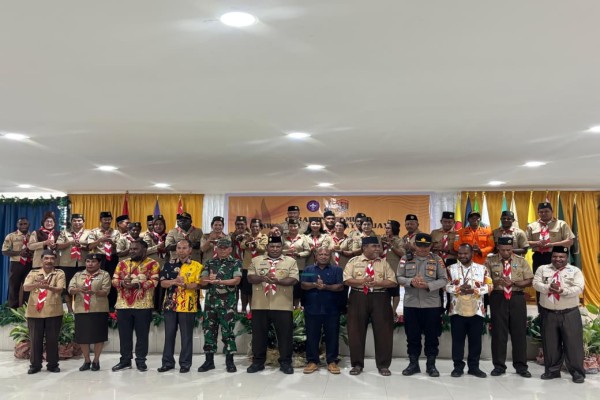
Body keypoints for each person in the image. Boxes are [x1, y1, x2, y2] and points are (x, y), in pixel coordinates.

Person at [344, 236, 397, 376]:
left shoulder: (384, 263)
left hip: (380, 297)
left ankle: (383, 365)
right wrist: (362, 281)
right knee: (355, 331)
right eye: (374, 246)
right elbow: (347, 279)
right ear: (364, 248)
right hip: (358, 297)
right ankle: (357, 364)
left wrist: (378, 283)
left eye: (378, 246)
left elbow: (392, 281)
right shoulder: (353, 261)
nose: (378, 249)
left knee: (384, 332)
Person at [396, 233, 447, 377]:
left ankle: (431, 365)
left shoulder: (437, 259)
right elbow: (399, 277)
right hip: (411, 303)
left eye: (426, 246)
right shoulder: (405, 259)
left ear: (431, 246)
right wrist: (410, 282)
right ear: (414, 245)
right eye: (419, 245)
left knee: (432, 337)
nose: (423, 249)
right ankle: (413, 364)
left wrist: (428, 285)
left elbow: (444, 279)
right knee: (412, 336)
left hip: (431, 305)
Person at [246, 236, 299, 374]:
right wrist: (263, 278)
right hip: (260, 304)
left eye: (277, 246)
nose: (275, 249)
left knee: (285, 336)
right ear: (267, 247)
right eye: (272, 246)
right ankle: (258, 362)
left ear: (282, 247)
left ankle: (286, 363)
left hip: (282, 304)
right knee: (258, 336)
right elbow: (250, 277)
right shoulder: (256, 260)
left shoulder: (291, 261)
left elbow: (293, 280)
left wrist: (277, 281)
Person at [533, 246, 585, 383]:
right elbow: (536, 283)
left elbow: (579, 288)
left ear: (567, 257)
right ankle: (552, 371)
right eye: (555, 256)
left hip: (569, 313)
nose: (558, 259)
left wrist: (562, 291)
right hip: (548, 312)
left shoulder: (575, 271)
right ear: (551, 257)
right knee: (550, 344)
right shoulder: (542, 269)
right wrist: (548, 288)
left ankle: (577, 372)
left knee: (573, 345)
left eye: (561, 257)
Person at [485, 237, 533, 378]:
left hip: (517, 297)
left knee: (519, 333)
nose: (506, 252)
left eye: (509, 250)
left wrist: (514, 283)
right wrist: (496, 282)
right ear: (498, 248)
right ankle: (499, 366)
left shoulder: (521, 261)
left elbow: (529, 280)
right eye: (503, 250)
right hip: (498, 296)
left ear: (512, 248)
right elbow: (484, 280)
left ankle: (521, 366)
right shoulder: (490, 261)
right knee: (499, 333)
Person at [111, 240, 159, 372]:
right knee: (124, 335)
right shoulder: (122, 263)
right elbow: (114, 280)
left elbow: (154, 281)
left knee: (142, 336)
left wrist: (137, 285)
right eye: (131, 249)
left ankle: (141, 361)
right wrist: (122, 283)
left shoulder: (153, 263)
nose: (131, 251)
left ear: (144, 250)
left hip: (143, 305)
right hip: (123, 305)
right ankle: (125, 360)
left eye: (135, 249)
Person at [158, 239, 203, 373]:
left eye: (184, 248)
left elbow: (199, 284)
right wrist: (174, 281)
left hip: (188, 305)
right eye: (179, 248)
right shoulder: (168, 265)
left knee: (186, 336)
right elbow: (162, 283)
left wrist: (186, 285)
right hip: (170, 305)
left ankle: (185, 363)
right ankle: (167, 363)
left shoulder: (197, 266)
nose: (181, 251)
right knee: (169, 335)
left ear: (190, 250)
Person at [446, 244, 491, 378]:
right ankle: (457, 367)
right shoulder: (450, 269)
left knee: (475, 341)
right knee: (457, 341)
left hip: (477, 310)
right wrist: (458, 289)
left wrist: (475, 290)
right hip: (457, 309)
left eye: (465, 253)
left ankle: (474, 367)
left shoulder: (482, 268)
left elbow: (490, 286)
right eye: (460, 253)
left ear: (472, 253)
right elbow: (445, 285)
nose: (462, 256)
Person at [198, 238, 242, 373]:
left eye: (225, 248)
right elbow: (202, 281)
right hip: (211, 303)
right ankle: (209, 361)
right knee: (209, 331)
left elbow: (236, 280)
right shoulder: (209, 262)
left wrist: (219, 281)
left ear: (230, 249)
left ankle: (230, 361)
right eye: (220, 247)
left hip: (228, 303)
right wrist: (208, 279)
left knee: (227, 331)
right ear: (216, 249)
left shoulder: (235, 262)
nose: (222, 250)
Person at [301, 247, 344, 374]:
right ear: (316, 255)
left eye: (326, 254)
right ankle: (312, 361)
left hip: (332, 309)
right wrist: (315, 285)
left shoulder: (337, 270)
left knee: (332, 336)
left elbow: (340, 286)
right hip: (312, 308)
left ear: (330, 256)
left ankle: (332, 361)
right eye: (321, 254)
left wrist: (325, 287)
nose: (323, 256)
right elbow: (303, 284)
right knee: (312, 336)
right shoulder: (308, 270)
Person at [22, 250, 66, 374]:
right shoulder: (33, 273)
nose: (49, 261)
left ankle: (52, 364)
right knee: (35, 340)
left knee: (52, 339)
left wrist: (48, 287)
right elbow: (25, 287)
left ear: (55, 260)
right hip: (34, 311)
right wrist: (37, 284)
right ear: (41, 260)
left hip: (53, 311)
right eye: (46, 258)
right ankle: (35, 365)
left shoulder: (59, 273)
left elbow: (60, 289)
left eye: (52, 258)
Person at [68, 253, 111, 371]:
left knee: (99, 336)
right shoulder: (78, 275)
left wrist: (94, 291)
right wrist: (79, 289)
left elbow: (106, 291)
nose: (90, 264)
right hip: (81, 309)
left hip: (99, 309)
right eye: (87, 261)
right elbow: (70, 289)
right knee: (83, 337)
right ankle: (87, 360)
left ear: (99, 263)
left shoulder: (104, 274)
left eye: (93, 261)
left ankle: (96, 361)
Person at [88, 211, 130, 310]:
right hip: (99, 258)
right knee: (98, 281)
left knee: (113, 281)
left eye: (109, 219)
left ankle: (112, 306)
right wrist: (100, 240)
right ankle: (97, 305)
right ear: (100, 220)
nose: (107, 221)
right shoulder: (94, 232)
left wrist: (112, 243)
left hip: (113, 258)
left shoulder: (116, 232)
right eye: (105, 219)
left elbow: (119, 248)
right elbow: (89, 246)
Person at [56, 213, 91, 312]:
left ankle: (80, 308)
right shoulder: (64, 232)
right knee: (67, 286)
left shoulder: (89, 233)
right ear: (71, 222)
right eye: (74, 220)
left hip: (83, 263)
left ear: (83, 222)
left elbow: (91, 245)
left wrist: (81, 245)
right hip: (66, 263)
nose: (77, 222)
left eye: (79, 220)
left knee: (81, 286)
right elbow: (58, 246)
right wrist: (70, 243)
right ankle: (70, 310)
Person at [527, 202, 575, 274]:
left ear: (552, 211)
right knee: (539, 277)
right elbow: (525, 243)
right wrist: (537, 243)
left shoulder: (561, 224)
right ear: (538, 213)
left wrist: (552, 244)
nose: (544, 213)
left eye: (546, 211)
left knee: (557, 277)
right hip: (538, 256)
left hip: (557, 256)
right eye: (541, 212)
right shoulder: (532, 226)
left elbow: (570, 241)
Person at [2, 217, 33, 308]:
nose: (23, 226)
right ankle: (13, 309)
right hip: (16, 264)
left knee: (28, 287)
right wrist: (19, 253)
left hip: (30, 264)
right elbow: (4, 251)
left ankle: (26, 309)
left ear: (29, 224)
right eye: (21, 224)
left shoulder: (33, 235)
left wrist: (31, 253)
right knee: (14, 287)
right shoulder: (11, 236)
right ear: (17, 225)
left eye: (25, 224)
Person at [239, 218, 268, 312]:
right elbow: (242, 246)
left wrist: (255, 244)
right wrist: (248, 241)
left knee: (260, 289)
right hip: (247, 266)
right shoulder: (247, 236)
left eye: (256, 226)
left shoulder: (264, 237)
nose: (254, 228)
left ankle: (258, 310)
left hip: (260, 267)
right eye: (252, 226)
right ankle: (248, 311)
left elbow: (263, 248)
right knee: (247, 291)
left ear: (260, 228)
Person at [283, 218, 311, 308]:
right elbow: (277, 250)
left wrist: (299, 254)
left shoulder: (303, 238)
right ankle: (287, 307)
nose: (293, 228)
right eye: (291, 226)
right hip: (285, 267)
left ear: (298, 227)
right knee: (286, 287)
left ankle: (297, 309)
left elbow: (308, 251)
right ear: (288, 227)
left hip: (299, 267)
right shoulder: (283, 237)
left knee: (297, 289)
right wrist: (286, 252)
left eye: (295, 226)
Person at [381, 220, 405, 316]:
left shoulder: (399, 240)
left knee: (395, 292)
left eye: (388, 228)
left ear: (394, 229)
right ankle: (385, 311)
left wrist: (391, 245)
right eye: (386, 228)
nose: (386, 230)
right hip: (381, 269)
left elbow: (403, 254)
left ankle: (393, 312)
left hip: (393, 269)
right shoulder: (382, 239)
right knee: (383, 292)